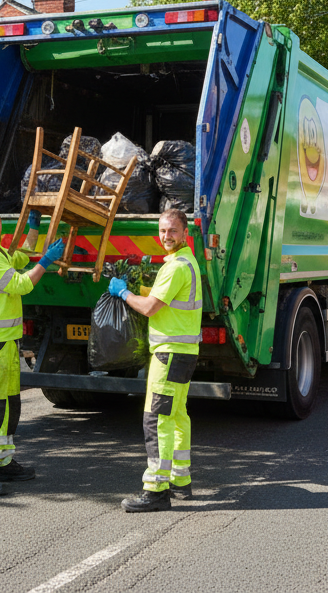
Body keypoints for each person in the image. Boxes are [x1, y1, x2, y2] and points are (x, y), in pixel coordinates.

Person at [0, 205, 65, 497]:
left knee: (10, 404)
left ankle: (1, 461)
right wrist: (46, 261)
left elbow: (22, 253)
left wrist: (33, 228)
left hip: (7, 342)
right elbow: (22, 284)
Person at [107, 208, 202, 513]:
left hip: (169, 353)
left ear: (184, 232)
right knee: (176, 416)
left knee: (155, 418)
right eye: (162, 231)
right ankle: (180, 480)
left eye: (172, 230)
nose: (166, 236)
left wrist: (123, 293)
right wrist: (139, 291)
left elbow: (149, 308)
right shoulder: (185, 262)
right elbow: (165, 300)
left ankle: (156, 489)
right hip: (182, 352)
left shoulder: (175, 267)